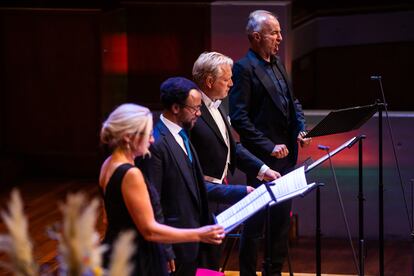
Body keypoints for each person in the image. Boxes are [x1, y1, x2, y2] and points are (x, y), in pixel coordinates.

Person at [138, 77, 250, 275]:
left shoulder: (183, 135)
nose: (199, 113)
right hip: (175, 244)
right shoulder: (156, 145)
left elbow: (196, 186)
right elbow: (153, 204)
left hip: (194, 242)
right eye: (194, 108)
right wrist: (165, 250)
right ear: (175, 108)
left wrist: (240, 192)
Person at [229, 10, 311, 276]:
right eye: (274, 32)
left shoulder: (277, 63)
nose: (280, 37)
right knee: (254, 224)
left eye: (279, 31)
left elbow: (293, 103)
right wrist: (268, 146)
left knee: (280, 222)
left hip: (286, 158)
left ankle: (273, 271)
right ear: (256, 36)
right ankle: (248, 273)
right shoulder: (243, 68)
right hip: (261, 159)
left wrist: (301, 129)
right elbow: (239, 118)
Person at [99, 103, 225, 276]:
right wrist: (199, 234)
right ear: (128, 137)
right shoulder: (131, 174)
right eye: (148, 134)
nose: (152, 140)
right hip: (135, 258)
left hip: (116, 250)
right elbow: (149, 230)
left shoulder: (108, 164)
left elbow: (108, 219)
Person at [190, 51, 281, 270]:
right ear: (209, 81)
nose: (231, 83)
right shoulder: (192, 111)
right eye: (226, 79)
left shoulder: (217, 105)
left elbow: (233, 147)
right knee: (201, 261)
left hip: (218, 194)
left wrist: (263, 169)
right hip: (200, 197)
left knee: (213, 259)